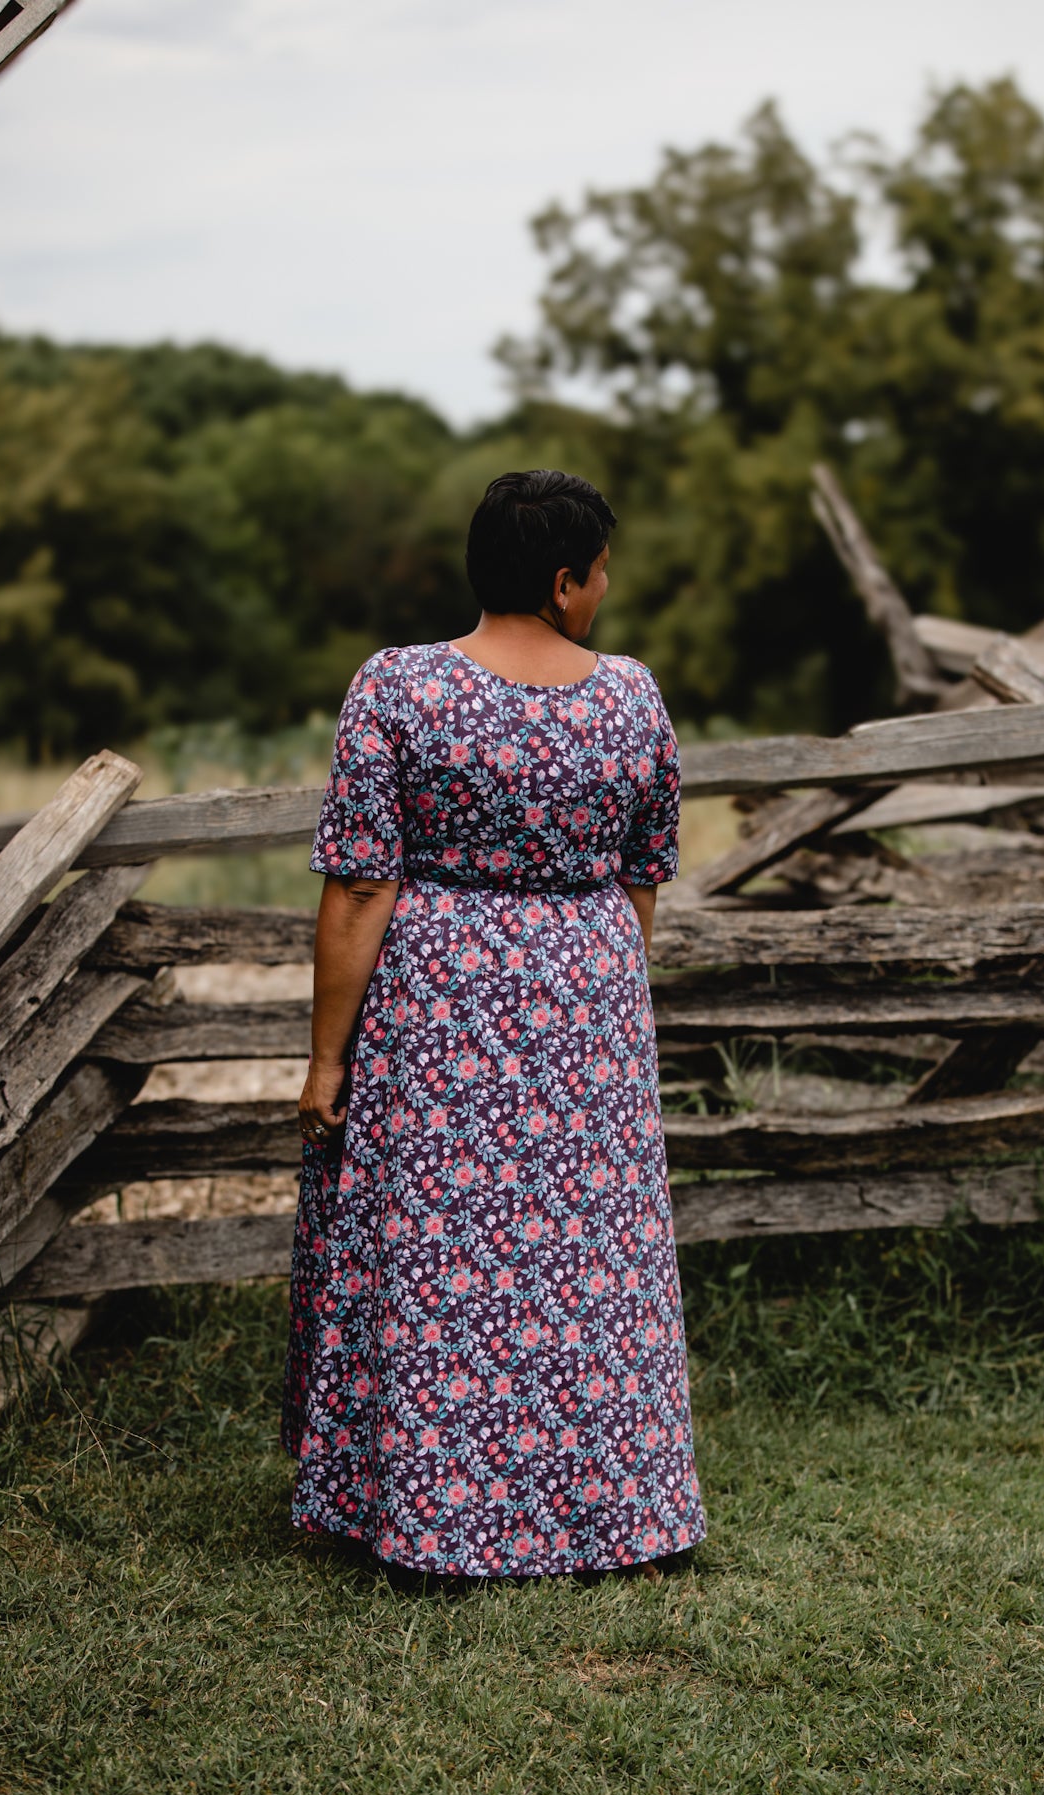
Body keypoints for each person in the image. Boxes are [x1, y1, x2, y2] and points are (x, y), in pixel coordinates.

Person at [282, 469, 705, 1580]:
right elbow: (643, 876)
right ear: (564, 582)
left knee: (441, 1251)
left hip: (441, 1005)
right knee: (592, 1258)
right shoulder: (632, 697)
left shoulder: (398, 686)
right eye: (600, 572)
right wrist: (603, 1007)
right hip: (590, 997)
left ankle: (434, 1514)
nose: (605, 591)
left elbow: (360, 886)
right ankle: (613, 1516)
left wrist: (326, 1057)